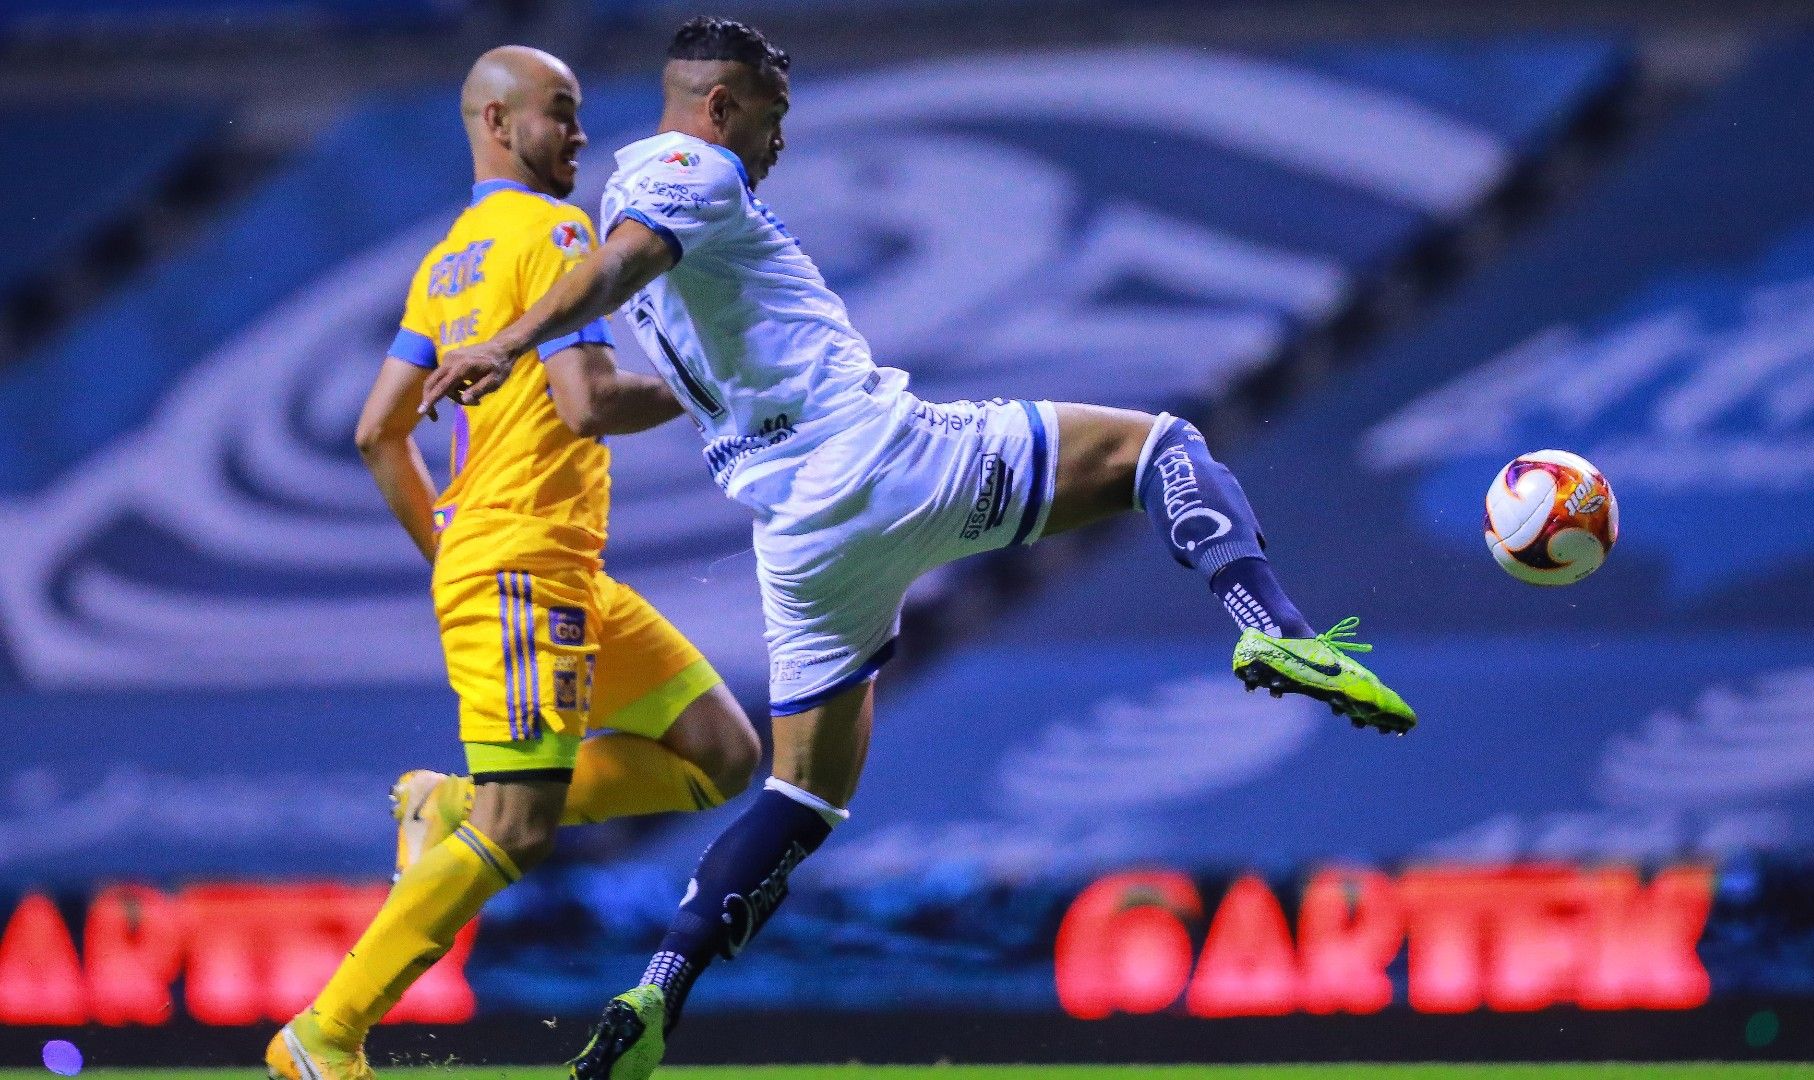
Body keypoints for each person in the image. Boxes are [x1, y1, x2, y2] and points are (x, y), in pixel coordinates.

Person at [425, 18, 1417, 1079]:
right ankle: (1275, 630)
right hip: (884, 461)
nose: (779, 141)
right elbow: (622, 268)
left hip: (800, 539)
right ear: (720, 107)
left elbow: (625, 366)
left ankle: (656, 990)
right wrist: (506, 338)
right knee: (1159, 447)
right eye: (772, 117)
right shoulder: (689, 170)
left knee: (805, 795)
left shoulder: (647, 194)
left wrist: (718, 383)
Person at [265, 45, 760, 1080]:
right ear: (497, 123)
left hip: (552, 569)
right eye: (560, 114)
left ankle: (450, 805)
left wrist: (449, 551)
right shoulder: (557, 231)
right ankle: (326, 1034)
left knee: (721, 754)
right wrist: (727, 389)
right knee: (520, 832)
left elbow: (374, 433)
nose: (579, 135)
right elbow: (590, 403)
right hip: (528, 566)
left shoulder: (449, 256)